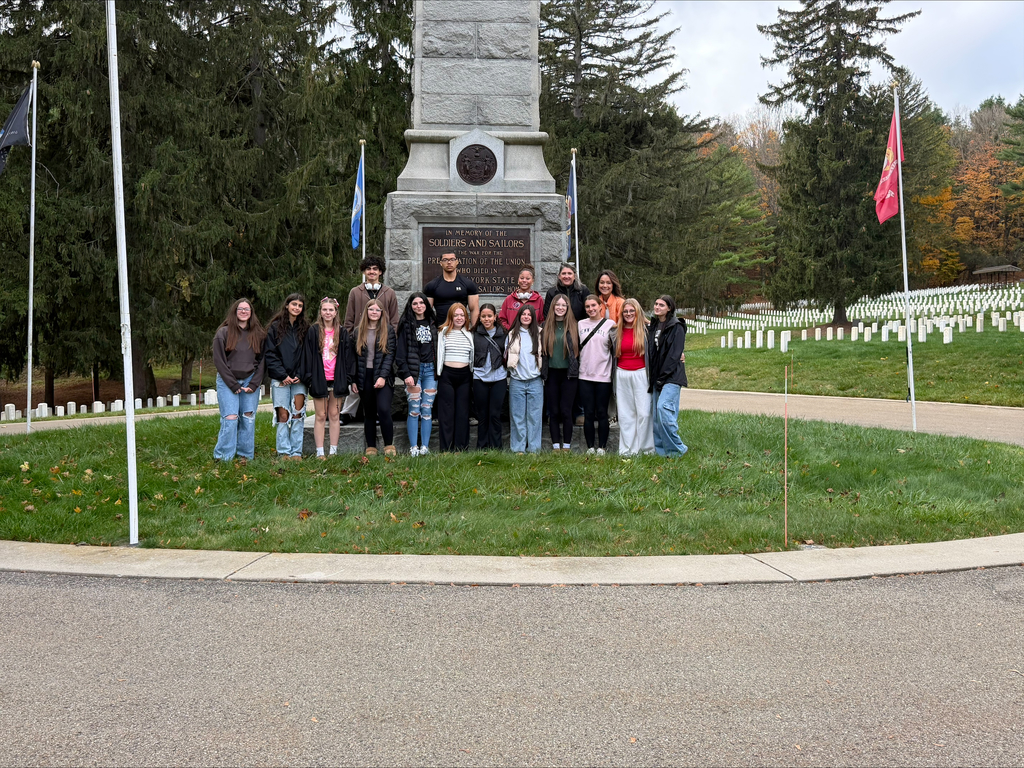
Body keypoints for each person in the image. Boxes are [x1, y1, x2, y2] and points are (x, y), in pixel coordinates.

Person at [341, 256, 399, 423]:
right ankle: (347, 412)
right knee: (357, 377)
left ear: (380, 271)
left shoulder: (389, 293)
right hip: (360, 342)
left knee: (380, 377)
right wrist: (351, 338)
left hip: (382, 342)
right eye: (368, 269)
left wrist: (390, 339)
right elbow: (349, 319)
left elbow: (394, 320)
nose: (371, 272)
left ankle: (380, 413)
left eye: (375, 269)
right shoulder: (355, 292)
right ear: (364, 271)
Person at [212, 298, 266, 463]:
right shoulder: (223, 333)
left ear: (251, 313)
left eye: (247, 309)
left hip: (250, 380)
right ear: (235, 312)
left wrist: (254, 383)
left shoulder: (258, 334)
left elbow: (263, 361)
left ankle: (245, 455)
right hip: (228, 380)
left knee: (248, 418)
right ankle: (223, 456)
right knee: (230, 418)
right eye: (240, 309)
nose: (244, 311)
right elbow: (219, 361)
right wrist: (233, 384)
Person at [303, 297, 352, 459]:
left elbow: (348, 358)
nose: (328, 312)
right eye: (325, 309)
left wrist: (348, 378)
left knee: (334, 415)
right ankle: (319, 451)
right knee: (320, 415)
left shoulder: (342, 332)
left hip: (337, 379)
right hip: (319, 378)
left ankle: (333, 450)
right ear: (320, 312)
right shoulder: (314, 331)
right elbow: (308, 356)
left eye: (331, 310)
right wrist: (309, 378)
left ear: (336, 312)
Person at [264, 293, 309, 460]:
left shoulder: (305, 328)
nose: (296, 308)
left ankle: (296, 451)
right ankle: (284, 451)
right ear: (287, 305)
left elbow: (307, 354)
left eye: (300, 305)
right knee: (283, 415)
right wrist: (283, 375)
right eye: (294, 304)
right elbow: (270, 354)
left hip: (299, 379)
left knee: (297, 413)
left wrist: (299, 374)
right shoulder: (275, 328)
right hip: (280, 379)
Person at [350, 299, 397, 457]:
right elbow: (354, 358)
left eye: (378, 310)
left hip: (383, 376)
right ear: (366, 312)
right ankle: (371, 447)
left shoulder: (388, 330)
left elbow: (390, 356)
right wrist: (354, 380)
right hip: (365, 376)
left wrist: (383, 376)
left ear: (382, 313)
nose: (374, 313)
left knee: (383, 409)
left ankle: (389, 445)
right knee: (368, 412)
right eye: (371, 310)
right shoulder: (358, 331)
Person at [395, 292, 437, 456]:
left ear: (426, 305)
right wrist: (406, 373)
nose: (419, 306)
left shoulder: (433, 322)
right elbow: (400, 353)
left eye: (421, 303)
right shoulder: (406, 324)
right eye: (415, 303)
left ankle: (425, 447)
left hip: (431, 372)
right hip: (414, 372)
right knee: (414, 408)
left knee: (427, 409)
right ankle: (414, 447)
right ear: (410, 306)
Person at [647, 294, 689, 457]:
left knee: (664, 410)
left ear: (669, 308)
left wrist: (662, 378)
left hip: (671, 376)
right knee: (656, 417)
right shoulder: (655, 325)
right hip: (657, 376)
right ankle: (661, 451)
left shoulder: (676, 326)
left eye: (662, 305)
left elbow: (674, 355)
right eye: (656, 304)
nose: (657, 307)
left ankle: (678, 449)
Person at [614, 298, 655, 456]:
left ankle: (645, 449)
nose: (629, 314)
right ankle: (627, 450)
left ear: (638, 312)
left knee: (644, 413)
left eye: (632, 311)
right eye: (625, 311)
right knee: (626, 414)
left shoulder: (647, 330)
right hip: (622, 374)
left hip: (641, 374)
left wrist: (680, 354)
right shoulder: (616, 331)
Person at [577, 295, 616, 454]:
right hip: (585, 375)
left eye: (594, 305)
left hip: (603, 375)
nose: (591, 309)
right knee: (589, 412)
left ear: (600, 306)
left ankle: (602, 447)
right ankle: (590, 447)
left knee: (602, 412)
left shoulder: (610, 324)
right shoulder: (580, 324)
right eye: (587, 307)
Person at [541, 293, 580, 452]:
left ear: (568, 307)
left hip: (569, 375)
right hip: (551, 374)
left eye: (564, 305)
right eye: (558, 305)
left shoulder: (574, 326)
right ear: (553, 307)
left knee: (566, 410)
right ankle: (556, 445)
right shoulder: (545, 327)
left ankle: (567, 446)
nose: (560, 308)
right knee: (554, 411)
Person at [435, 303, 475, 451]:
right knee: (446, 414)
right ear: (451, 316)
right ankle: (446, 449)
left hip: (464, 376)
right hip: (447, 376)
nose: (459, 318)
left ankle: (461, 448)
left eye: (462, 315)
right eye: (456, 315)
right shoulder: (443, 332)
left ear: (466, 317)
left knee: (462, 413)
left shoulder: (470, 334)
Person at [504, 304, 543, 454]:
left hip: (535, 381)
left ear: (533, 318)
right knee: (517, 417)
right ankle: (518, 449)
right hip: (517, 381)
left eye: (529, 314)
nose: (526, 316)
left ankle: (534, 449)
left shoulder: (539, 333)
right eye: (523, 314)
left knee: (534, 417)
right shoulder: (512, 334)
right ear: (519, 316)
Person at [472, 304, 508, 450]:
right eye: (483, 316)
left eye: (489, 316)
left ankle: (496, 447)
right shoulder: (474, 335)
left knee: (495, 414)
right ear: (479, 318)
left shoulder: (503, 334)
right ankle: (481, 446)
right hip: (479, 377)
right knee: (482, 415)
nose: (486, 319)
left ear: (495, 317)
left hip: (499, 378)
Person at [425, 252, 480, 328]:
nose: (449, 262)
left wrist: (475, 331)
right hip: (440, 329)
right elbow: (427, 311)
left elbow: (474, 310)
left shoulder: (468, 284)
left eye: (452, 259)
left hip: (461, 329)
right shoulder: (431, 286)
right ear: (441, 263)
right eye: (445, 260)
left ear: (457, 262)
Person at [499, 265, 544, 330]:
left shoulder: (539, 300)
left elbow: (542, 320)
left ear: (532, 281)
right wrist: (511, 331)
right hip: (513, 337)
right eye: (522, 278)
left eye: (528, 278)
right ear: (518, 280)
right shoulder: (509, 299)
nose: (524, 281)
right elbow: (502, 319)